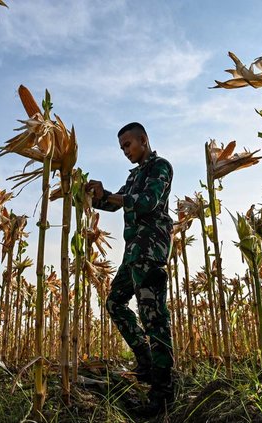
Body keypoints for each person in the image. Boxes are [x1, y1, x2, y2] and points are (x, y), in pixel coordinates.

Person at [86, 122, 174, 415]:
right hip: (133, 254)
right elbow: (115, 204)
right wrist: (95, 195)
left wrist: (112, 197)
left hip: (150, 252)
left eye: (128, 145)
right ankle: (146, 363)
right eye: (122, 148)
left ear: (143, 140)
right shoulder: (135, 175)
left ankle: (162, 396)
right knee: (114, 302)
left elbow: (147, 202)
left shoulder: (160, 167)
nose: (125, 152)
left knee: (154, 319)